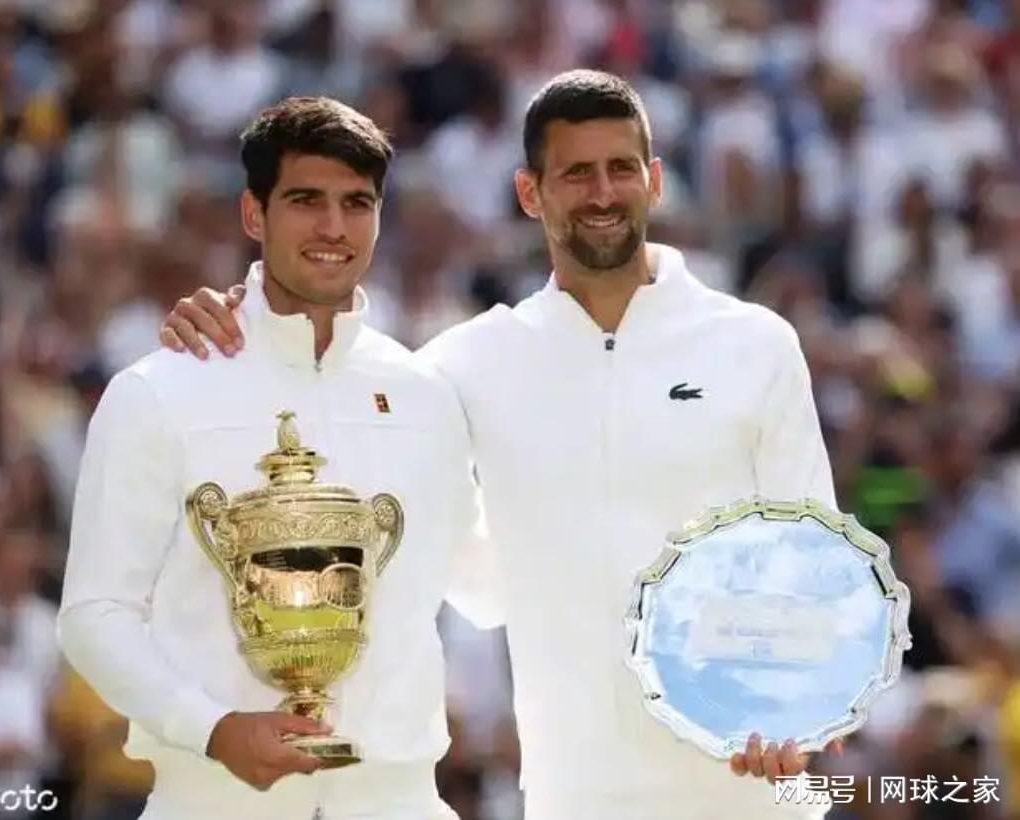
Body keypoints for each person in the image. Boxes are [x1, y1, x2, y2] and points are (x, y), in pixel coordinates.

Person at [159, 71, 842, 819]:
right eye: (575, 173)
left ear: (653, 180)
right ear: (529, 193)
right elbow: (331, 388)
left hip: (754, 789)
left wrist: (806, 706)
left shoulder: (756, 344)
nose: (602, 193)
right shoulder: (464, 365)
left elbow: (816, 556)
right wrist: (242, 319)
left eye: (620, 169)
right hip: (574, 797)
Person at [58, 97, 494, 820]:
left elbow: (488, 586)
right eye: (305, 200)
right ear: (253, 214)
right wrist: (214, 730)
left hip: (397, 801)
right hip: (212, 803)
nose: (333, 228)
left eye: (357, 203)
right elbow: (92, 614)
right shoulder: (158, 389)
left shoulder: (426, 395)